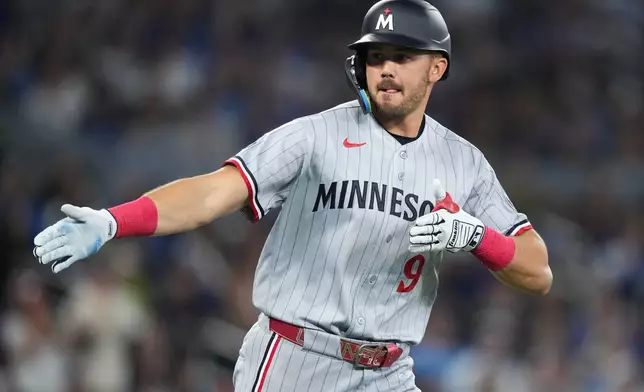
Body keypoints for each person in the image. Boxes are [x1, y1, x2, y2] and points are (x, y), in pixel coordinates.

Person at [32, 0, 552, 390]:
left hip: (389, 371)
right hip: (296, 360)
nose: (385, 69)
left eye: (402, 57)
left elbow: (538, 270)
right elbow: (214, 192)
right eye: (375, 57)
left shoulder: (464, 162)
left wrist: (476, 235)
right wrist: (115, 221)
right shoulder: (314, 135)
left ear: (436, 68)